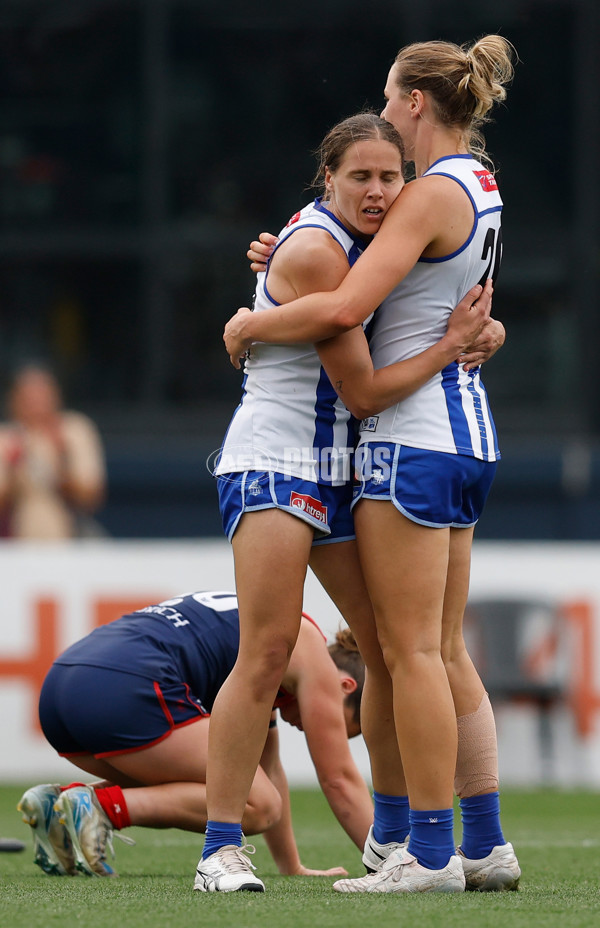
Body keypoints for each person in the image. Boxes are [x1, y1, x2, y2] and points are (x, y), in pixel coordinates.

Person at [223, 36, 520, 895]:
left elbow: (351, 305)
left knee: (409, 655)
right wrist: (287, 253)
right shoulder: (483, 186)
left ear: (416, 103)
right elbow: (409, 286)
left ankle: (426, 854)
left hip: (413, 433)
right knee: (444, 652)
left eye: (391, 101)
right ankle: (486, 841)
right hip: (470, 435)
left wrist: (255, 319)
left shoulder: (429, 191)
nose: (385, 116)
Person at [18, 590, 369, 881]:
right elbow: (337, 778)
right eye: (342, 726)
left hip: (60, 689)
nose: (315, 729)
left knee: (248, 789)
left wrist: (291, 868)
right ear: (344, 686)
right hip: (125, 686)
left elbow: (268, 767)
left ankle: (59, 804)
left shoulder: (274, 654)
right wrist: (388, 862)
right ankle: (99, 808)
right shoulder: (308, 649)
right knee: (259, 805)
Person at [0, 363, 106, 539]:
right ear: (14, 400)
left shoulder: (74, 429)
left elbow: (92, 497)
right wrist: (13, 467)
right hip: (15, 538)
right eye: (28, 398)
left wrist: (61, 460)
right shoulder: (6, 437)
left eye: (42, 397)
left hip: (71, 533)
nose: (36, 406)